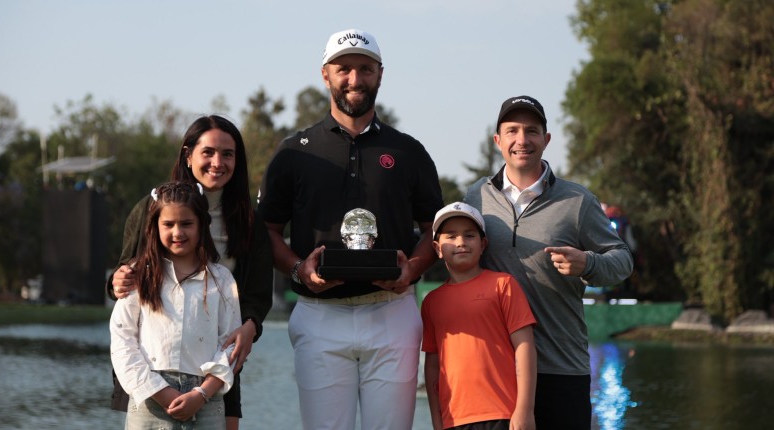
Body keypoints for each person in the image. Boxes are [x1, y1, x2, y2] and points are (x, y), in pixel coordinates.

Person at [257, 28, 444, 429]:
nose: (355, 79)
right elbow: (266, 230)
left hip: (392, 314)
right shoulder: (294, 151)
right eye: (344, 69)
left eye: (365, 69)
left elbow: (436, 230)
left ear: (380, 74)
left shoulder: (409, 151)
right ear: (325, 75)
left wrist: (412, 268)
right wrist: (297, 269)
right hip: (319, 315)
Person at [464, 95, 634, 430]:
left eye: (531, 131)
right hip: (495, 370)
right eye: (512, 131)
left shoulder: (578, 200)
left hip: (561, 368)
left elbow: (623, 259)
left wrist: (588, 263)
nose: (521, 140)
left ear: (546, 139)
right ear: (498, 140)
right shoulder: (476, 197)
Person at [108, 115, 273, 429]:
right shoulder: (151, 207)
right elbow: (128, 270)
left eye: (228, 154)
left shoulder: (248, 222)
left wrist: (251, 326)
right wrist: (115, 281)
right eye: (208, 152)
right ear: (188, 155)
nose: (217, 162)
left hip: (216, 362)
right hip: (152, 361)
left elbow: (258, 293)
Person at [110, 181, 241, 429]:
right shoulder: (139, 275)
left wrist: (202, 393)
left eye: (187, 224)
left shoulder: (222, 280)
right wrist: (160, 391)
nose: (178, 232)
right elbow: (122, 339)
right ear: (154, 227)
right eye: (168, 224)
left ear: (202, 225)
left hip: (207, 400)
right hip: (150, 398)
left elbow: (231, 344)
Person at [422, 202, 537, 430]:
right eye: (451, 236)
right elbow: (433, 365)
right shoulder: (431, 302)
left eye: (469, 235)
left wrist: (524, 410)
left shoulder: (503, 285)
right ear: (437, 248)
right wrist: (437, 421)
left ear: (483, 244)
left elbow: (525, 347)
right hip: (453, 420)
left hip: (503, 414)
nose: (461, 243)